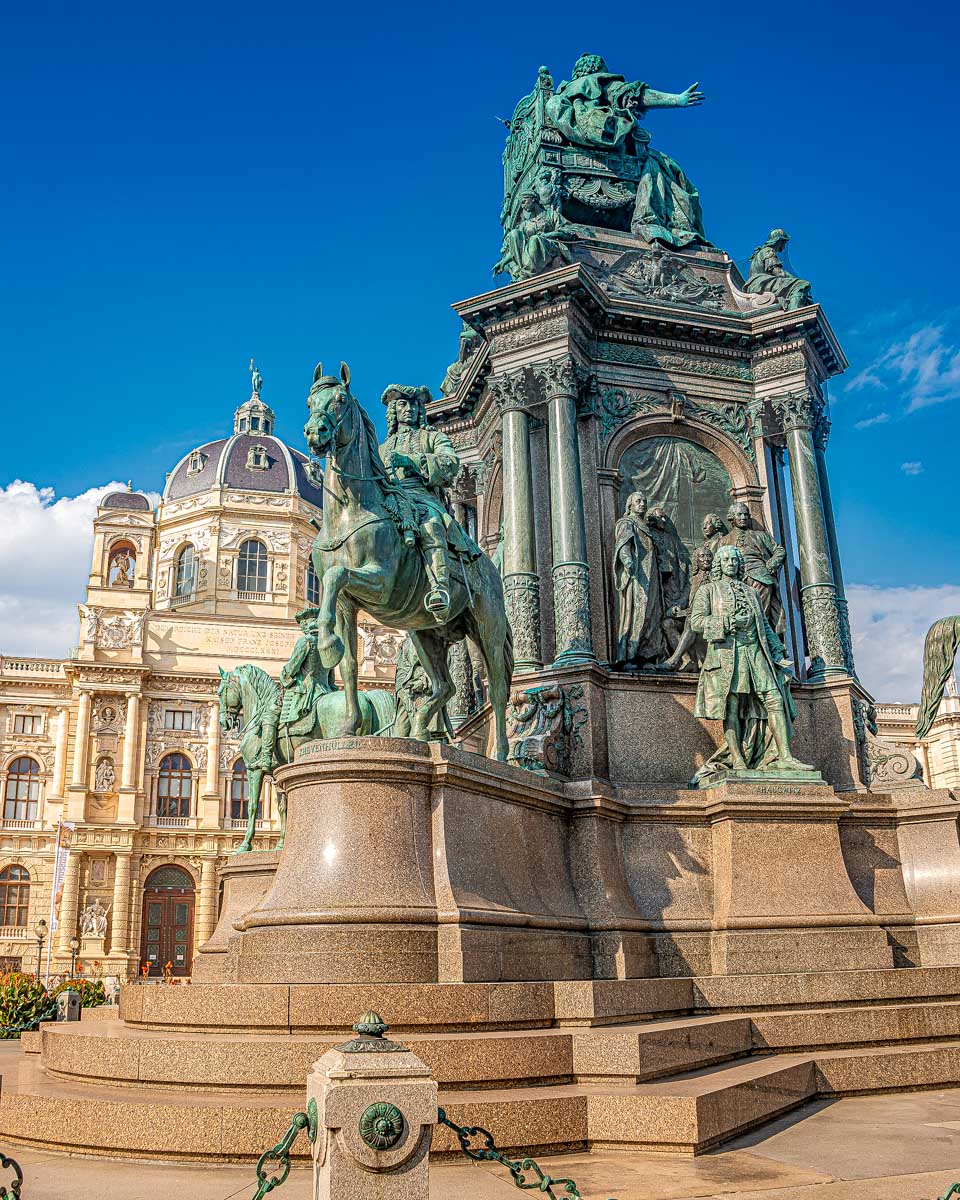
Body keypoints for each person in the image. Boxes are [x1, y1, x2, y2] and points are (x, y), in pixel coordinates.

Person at [544, 53, 708, 248]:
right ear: (599, 68)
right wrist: (677, 100)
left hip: (567, 155)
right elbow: (635, 96)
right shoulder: (600, 81)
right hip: (615, 153)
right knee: (668, 169)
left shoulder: (558, 97)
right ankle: (662, 223)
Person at [690, 546, 812, 784]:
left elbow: (764, 625)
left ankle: (785, 756)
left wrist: (777, 647)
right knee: (731, 706)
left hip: (755, 651)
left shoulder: (751, 592)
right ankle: (737, 759)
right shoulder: (708, 590)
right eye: (725, 559)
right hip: (727, 653)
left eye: (734, 559)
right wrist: (726, 622)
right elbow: (696, 622)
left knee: (774, 699)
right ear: (718, 564)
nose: (731, 563)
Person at [379, 385, 480, 618]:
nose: (409, 409)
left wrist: (411, 461)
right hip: (390, 499)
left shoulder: (433, 437)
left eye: (414, 405)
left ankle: (439, 588)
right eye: (402, 404)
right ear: (393, 411)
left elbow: (449, 463)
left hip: (422, 497)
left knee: (431, 524)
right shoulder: (382, 449)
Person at [612, 492, 666, 669]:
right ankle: (629, 655)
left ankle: (647, 656)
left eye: (644, 501)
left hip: (652, 575)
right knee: (637, 612)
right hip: (637, 575)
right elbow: (623, 545)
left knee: (652, 614)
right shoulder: (627, 523)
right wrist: (627, 562)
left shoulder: (648, 527)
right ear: (630, 506)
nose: (642, 504)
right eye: (638, 501)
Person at [723, 502, 786, 631]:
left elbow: (779, 550)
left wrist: (770, 565)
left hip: (759, 576)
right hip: (735, 579)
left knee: (760, 614)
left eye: (746, 515)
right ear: (731, 517)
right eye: (739, 514)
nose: (743, 517)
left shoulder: (759, 535)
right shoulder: (723, 541)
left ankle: (763, 639)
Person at [277, 608, 334, 750]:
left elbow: (292, 668)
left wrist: (285, 677)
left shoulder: (305, 641)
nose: (301, 627)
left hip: (307, 692)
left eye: (302, 623)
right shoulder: (328, 644)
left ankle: (266, 756)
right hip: (326, 691)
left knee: (272, 714)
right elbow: (331, 679)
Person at [662, 547, 713, 672]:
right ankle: (687, 660)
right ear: (696, 560)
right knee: (667, 623)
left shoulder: (716, 579)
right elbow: (686, 597)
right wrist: (677, 607)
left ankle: (674, 660)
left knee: (691, 621)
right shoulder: (693, 580)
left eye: (709, 556)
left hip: (709, 617)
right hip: (692, 615)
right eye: (702, 556)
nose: (706, 559)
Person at [744, 230, 812, 311]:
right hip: (761, 284)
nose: (784, 245)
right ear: (779, 241)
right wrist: (794, 279)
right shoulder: (768, 251)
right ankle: (794, 312)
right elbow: (778, 272)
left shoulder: (763, 252)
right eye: (784, 242)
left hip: (760, 284)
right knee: (801, 284)